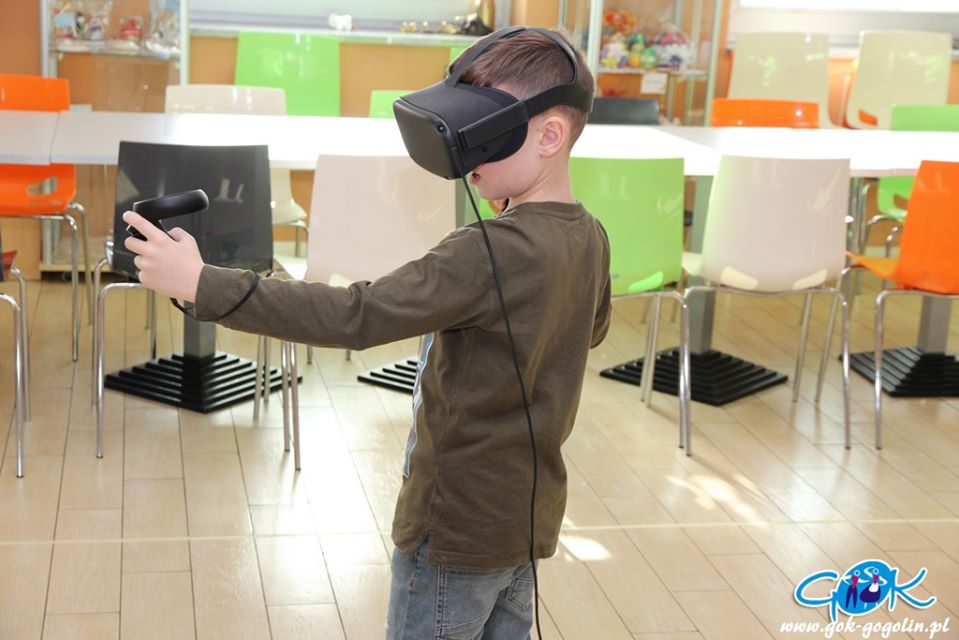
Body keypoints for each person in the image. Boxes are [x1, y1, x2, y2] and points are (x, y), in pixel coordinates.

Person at [122, 27, 610, 640]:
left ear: (549, 135)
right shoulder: (590, 236)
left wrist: (202, 283)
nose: (466, 156)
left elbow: (356, 314)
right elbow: (589, 330)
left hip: (454, 530)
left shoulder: (485, 252)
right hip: (526, 527)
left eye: (484, 135)